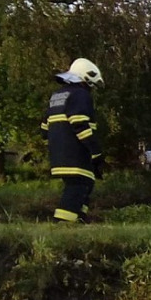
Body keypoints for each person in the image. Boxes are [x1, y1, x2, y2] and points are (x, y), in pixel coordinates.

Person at [42, 58, 105, 223]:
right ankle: (62, 222)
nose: (91, 89)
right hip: (75, 151)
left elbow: (44, 127)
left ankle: (79, 218)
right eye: (91, 85)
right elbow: (79, 123)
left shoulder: (57, 96)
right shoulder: (80, 95)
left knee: (86, 182)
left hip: (58, 151)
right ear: (86, 79)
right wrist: (95, 151)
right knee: (78, 185)